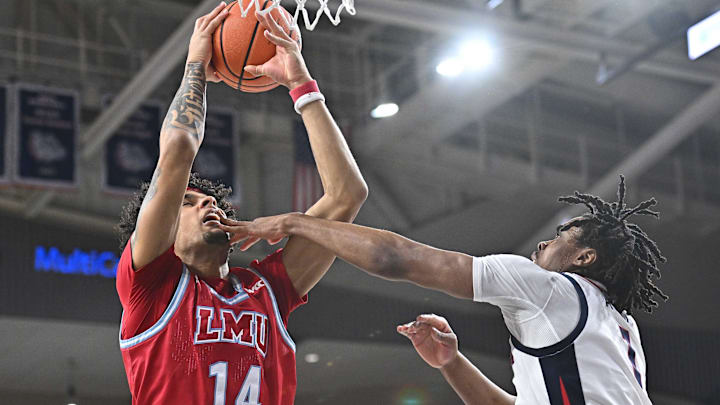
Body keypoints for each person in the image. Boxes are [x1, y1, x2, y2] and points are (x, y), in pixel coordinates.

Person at [218, 176, 667, 405]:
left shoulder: (549, 289)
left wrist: (296, 223)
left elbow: (395, 258)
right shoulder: (619, 326)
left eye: (564, 235)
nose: (546, 242)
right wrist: (452, 363)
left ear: (585, 257)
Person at [114, 4, 367, 405]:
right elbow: (178, 147)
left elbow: (347, 194)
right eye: (188, 202)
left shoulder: (266, 289)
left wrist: (300, 83)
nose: (207, 203)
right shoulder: (151, 286)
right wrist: (196, 63)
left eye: (210, 199)